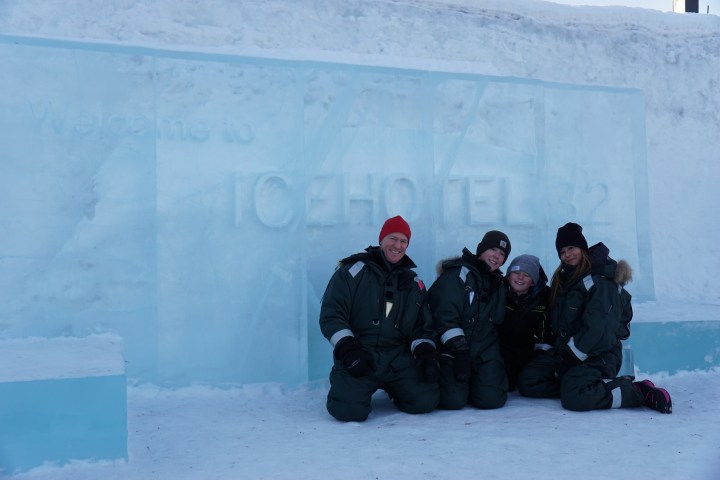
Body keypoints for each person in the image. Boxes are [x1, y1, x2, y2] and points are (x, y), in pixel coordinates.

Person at [517, 222, 672, 414]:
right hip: (568, 351)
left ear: (582, 248)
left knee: (574, 398)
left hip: (599, 354)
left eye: (571, 248)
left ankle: (634, 391)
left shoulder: (601, 281)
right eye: (562, 251)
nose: (567, 254)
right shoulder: (565, 279)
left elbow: (598, 329)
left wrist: (570, 356)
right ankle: (577, 384)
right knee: (530, 381)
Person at [319, 216, 440, 422]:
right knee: (347, 411)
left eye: (403, 241)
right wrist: (349, 349)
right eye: (392, 238)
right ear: (381, 239)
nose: (397, 245)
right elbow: (332, 314)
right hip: (360, 353)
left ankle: (396, 387)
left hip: (397, 356)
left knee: (425, 401)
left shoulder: (413, 282)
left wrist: (425, 353)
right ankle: (349, 383)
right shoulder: (353, 271)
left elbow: (422, 326)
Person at [428, 230, 511, 410]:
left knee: (491, 400)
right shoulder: (458, 274)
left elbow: (497, 321)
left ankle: (476, 382)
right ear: (481, 250)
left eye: (502, 254)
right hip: (453, 348)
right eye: (493, 250)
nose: (497, 256)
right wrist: (459, 349)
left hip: (484, 350)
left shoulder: (498, 284)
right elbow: (443, 316)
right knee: (452, 401)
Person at [497, 254, 553, 392]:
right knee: (506, 384)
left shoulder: (545, 298)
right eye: (516, 272)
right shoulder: (499, 292)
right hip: (504, 349)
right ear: (509, 275)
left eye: (527, 274)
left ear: (533, 281)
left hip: (532, 350)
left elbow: (546, 331)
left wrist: (540, 354)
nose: (520, 277)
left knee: (528, 382)